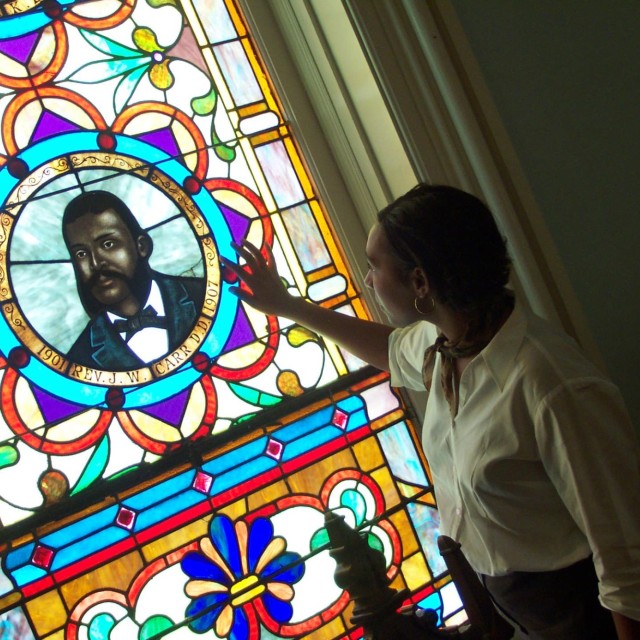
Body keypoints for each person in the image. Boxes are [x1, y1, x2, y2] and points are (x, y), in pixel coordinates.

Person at [221, 183, 640, 640]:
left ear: (420, 282)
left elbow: (625, 560)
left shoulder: (551, 386)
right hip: (513, 606)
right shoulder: (447, 342)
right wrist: (287, 306)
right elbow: (392, 349)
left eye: (373, 266)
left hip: (579, 613)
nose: (367, 280)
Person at [62, 190, 205, 370]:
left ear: (142, 246)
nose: (96, 264)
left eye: (108, 244)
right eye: (81, 254)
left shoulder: (204, 297)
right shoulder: (80, 358)